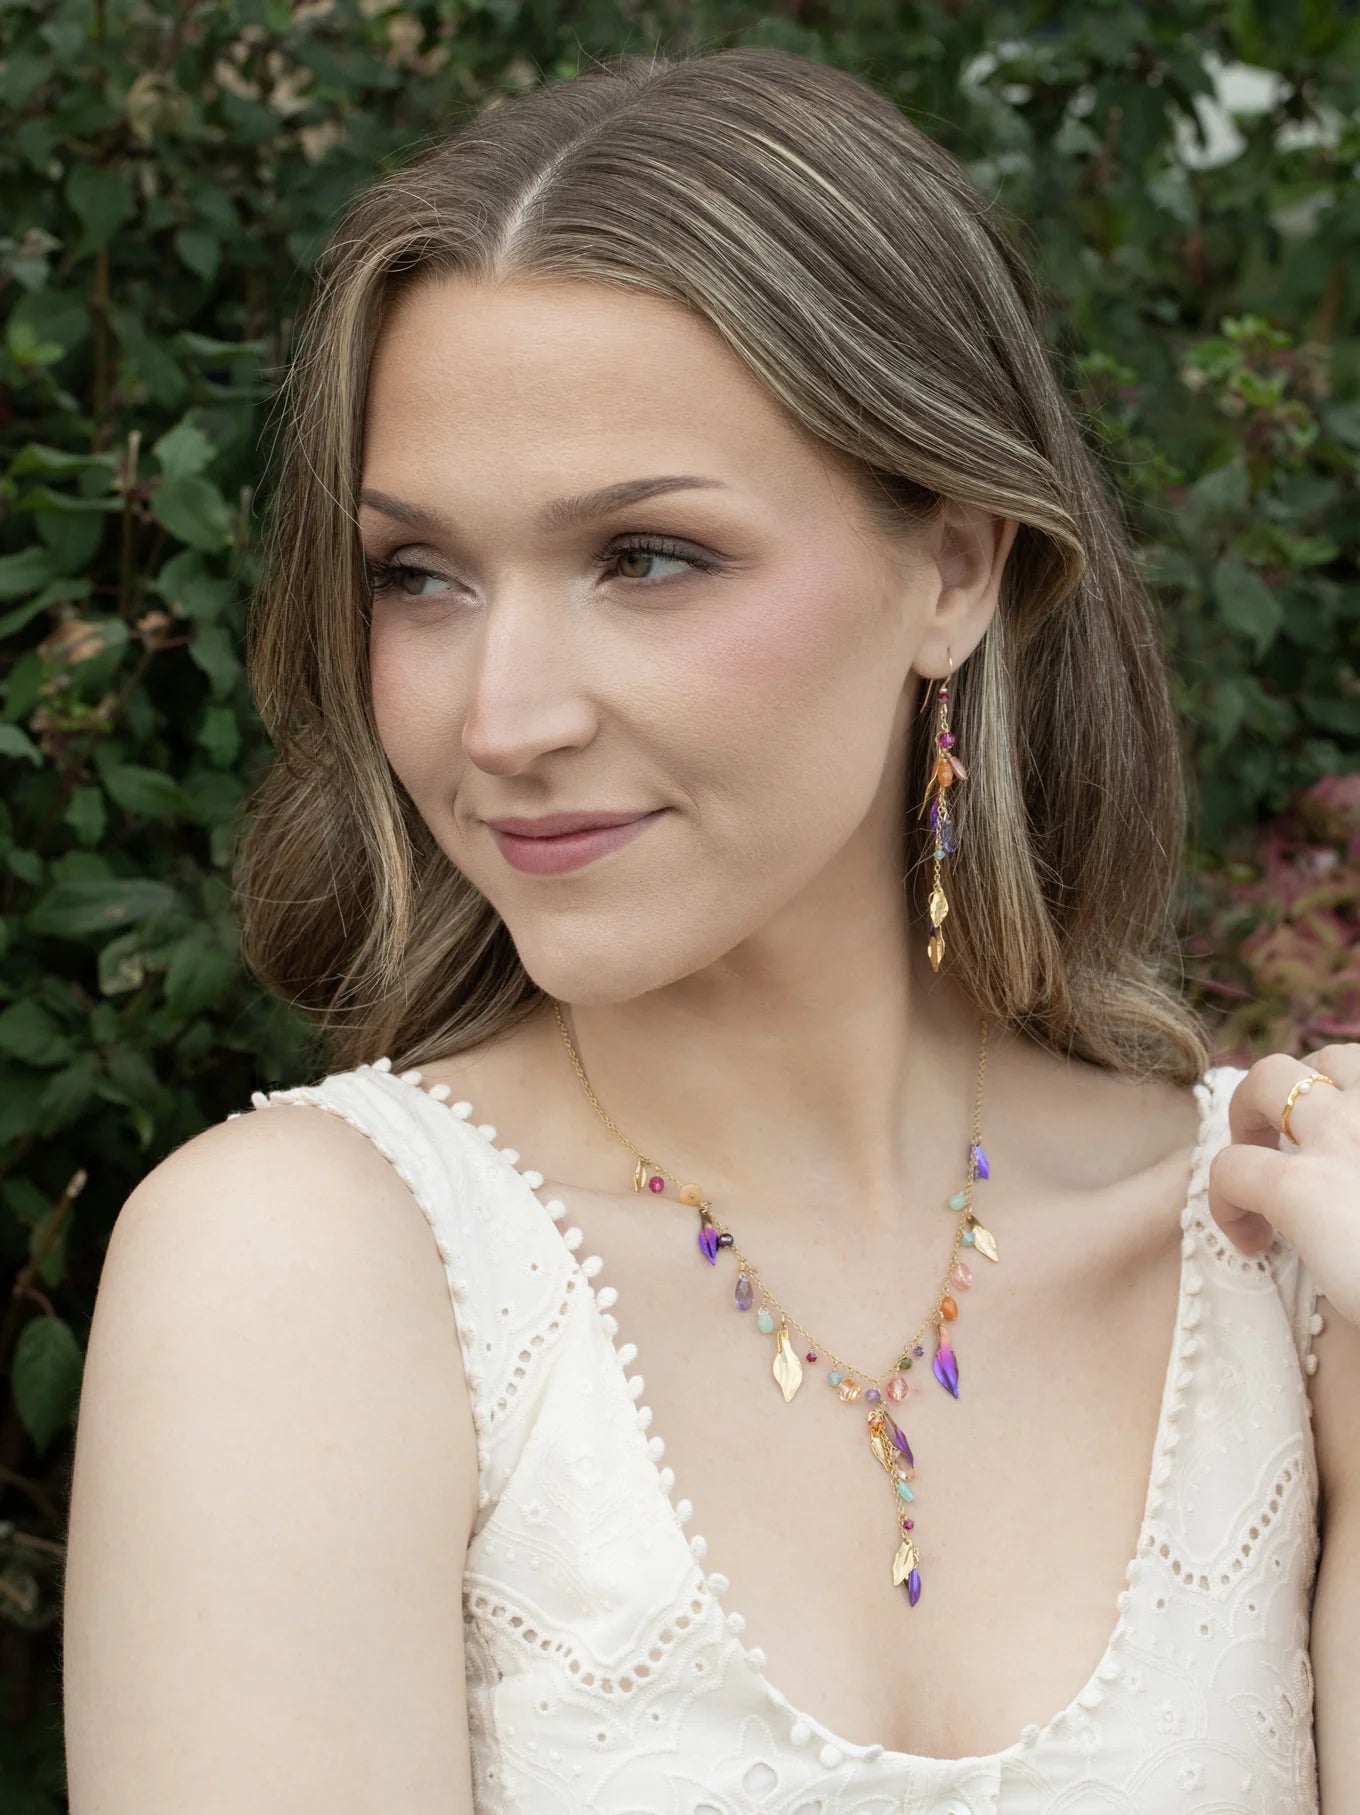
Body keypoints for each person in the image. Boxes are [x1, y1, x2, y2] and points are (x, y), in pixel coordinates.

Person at [61, 45, 1357, 1815]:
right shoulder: (312, 1277)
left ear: (958, 567)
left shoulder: (1286, 1259)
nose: (500, 718)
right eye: (417, 577)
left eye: (647, 558)